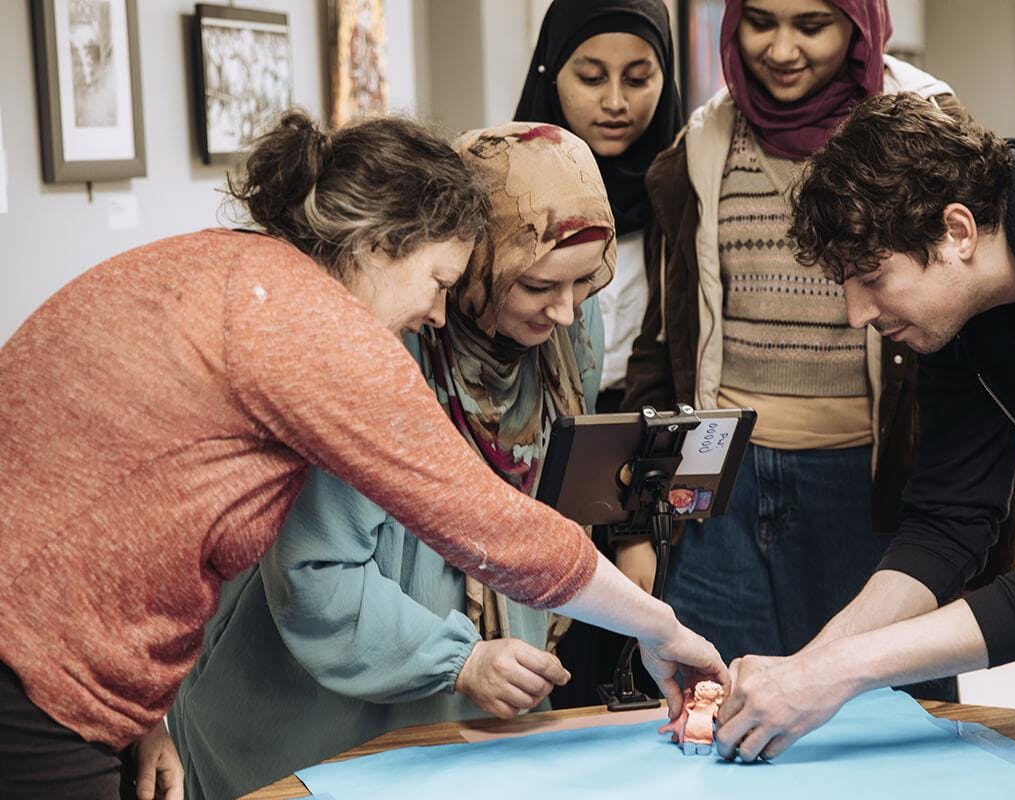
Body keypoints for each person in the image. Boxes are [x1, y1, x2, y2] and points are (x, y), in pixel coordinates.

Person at [0, 112, 725, 798]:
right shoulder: (317, 330)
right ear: (379, 246)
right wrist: (662, 628)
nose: (439, 313)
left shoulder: (232, 269)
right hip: (39, 662)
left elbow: (135, 509)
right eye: (441, 282)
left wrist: (144, 716)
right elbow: (495, 531)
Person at [715, 91, 1015, 762]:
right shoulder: (967, 295)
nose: (857, 314)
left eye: (871, 277)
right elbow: (949, 519)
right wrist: (804, 666)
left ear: (958, 231)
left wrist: (836, 675)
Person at [167, 121, 617, 799]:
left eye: (586, 285)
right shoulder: (379, 336)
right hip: (316, 700)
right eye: (537, 286)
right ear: (471, 264)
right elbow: (315, 570)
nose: (564, 310)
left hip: (477, 692)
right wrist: (459, 659)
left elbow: (535, 511)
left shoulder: (566, 333)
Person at [622, 0, 1015, 701]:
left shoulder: (927, 125)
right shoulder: (700, 144)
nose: (781, 49)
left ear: (859, 24)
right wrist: (639, 518)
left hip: (875, 487)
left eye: (810, 25)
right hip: (724, 486)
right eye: (760, 23)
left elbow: (986, 345)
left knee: (883, 718)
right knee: (718, 704)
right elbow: (665, 347)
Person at [514, 0, 686, 708]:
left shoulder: (683, 192)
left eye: (640, 77)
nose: (616, 102)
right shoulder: (508, 189)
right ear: (553, 74)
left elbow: (673, 374)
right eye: (591, 76)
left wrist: (638, 523)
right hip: (530, 460)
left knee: (649, 682)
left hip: (650, 463)